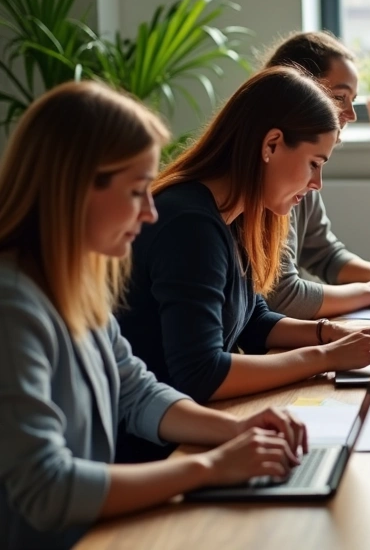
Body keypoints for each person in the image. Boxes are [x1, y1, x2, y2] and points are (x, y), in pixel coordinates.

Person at [0, 82, 308, 549]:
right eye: (136, 192)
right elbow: (47, 488)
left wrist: (238, 429)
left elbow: (135, 392)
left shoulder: (72, 282)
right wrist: (209, 467)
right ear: (76, 187)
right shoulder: (13, 309)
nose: (149, 212)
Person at [116, 66, 370, 462]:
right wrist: (328, 358)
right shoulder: (189, 224)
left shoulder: (234, 213)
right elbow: (201, 373)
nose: (317, 184)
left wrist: (329, 334)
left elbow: (253, 320)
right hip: (160, 450)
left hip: (193, 435)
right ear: (272, 144)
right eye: (315, 163)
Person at [261, 32, 370, 319]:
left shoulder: (300, 170)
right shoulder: (273, 180)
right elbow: (282, 296)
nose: (350, 113)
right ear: (299, 90)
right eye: (340, 97)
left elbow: (323, 252)